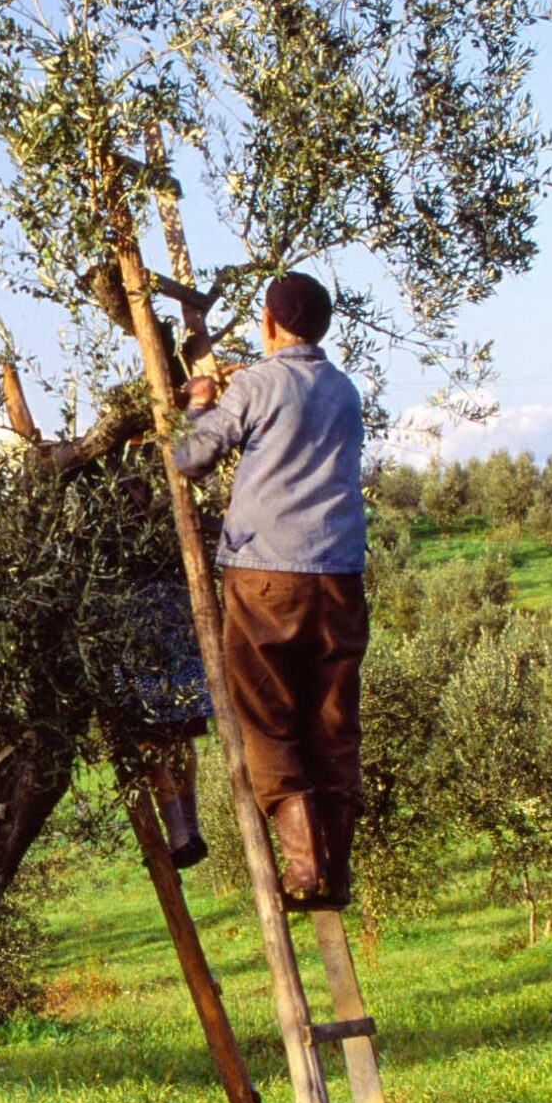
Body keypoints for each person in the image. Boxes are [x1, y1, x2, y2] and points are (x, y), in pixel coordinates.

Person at [168, 271, 367, 908]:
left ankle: (304, 870)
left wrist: (200, 402)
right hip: (338, 575)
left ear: (268, 322)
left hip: (265, 575)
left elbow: (190, 459)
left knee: (267, 719)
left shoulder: (255, 384)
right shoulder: (346, 390)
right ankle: (334, 874)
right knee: (333, 723)